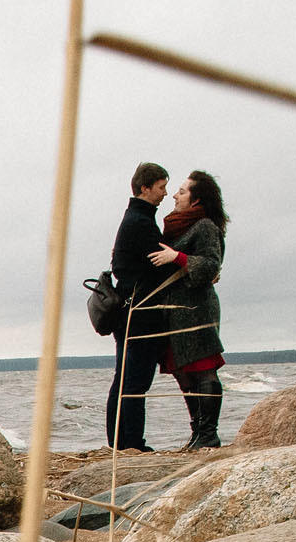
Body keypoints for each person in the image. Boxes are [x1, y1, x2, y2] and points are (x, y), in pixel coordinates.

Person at [151, 170, 228, 449]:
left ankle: (209, 435)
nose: (174, 195)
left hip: (197, 308)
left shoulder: (205, 225)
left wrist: (178, 257)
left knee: (204, 369)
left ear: (196, 200)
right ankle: (197, 432)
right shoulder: (178, 226)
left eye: (182, 191)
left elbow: (210, 265)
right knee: (183, 371)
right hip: (174, 309)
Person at [105, 162, 169, 452]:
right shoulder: (140, 221)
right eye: (161, 187)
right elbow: (156, 263)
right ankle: (130, 443)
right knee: (134, 381)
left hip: (130, 308)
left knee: (126, 379)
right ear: (145, 187)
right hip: (139, 310)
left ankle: (122, 442)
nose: (165, 193)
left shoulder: (136, 217)